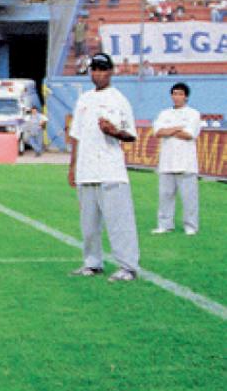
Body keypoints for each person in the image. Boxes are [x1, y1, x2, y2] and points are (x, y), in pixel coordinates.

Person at [68, 52, 140, 282]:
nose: (98, 74)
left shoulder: (119, 100)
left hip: (111, 170)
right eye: (95, 69)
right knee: (88, 225)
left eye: (102, 69)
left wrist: (114, 132)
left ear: (111, 71)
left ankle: (128, 266)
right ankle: (92, 263)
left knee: (119, 222)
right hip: (86, 170)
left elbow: (131, 134)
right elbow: (76, 136)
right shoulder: (84, 100)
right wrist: (72, 167)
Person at [151, 82, 201, 235]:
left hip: (186, 162)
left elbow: (189, 135)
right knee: (165, 196)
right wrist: (177, 128)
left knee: (189, 198)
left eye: (180, 94)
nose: (177, 97)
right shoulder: (164, 113)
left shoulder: (193, 114)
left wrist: (169, 130)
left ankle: (191, 226)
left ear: (185, 96)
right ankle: (165, 224)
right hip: (167, 161)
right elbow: (158, 132)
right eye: (174, 93)